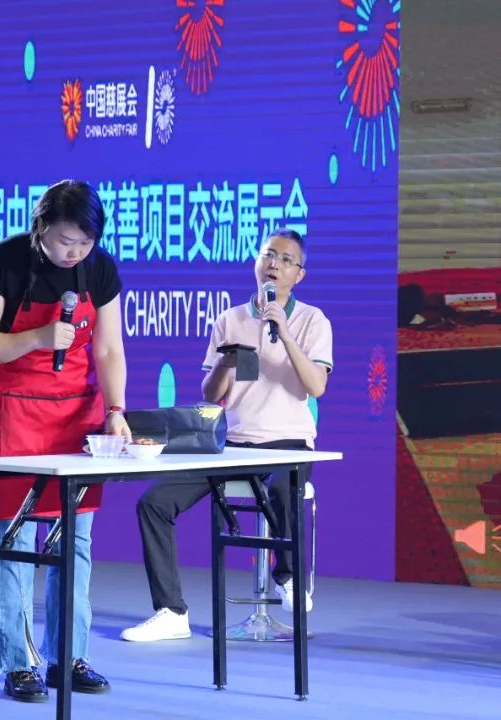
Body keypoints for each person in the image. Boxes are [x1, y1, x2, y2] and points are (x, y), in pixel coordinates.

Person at [120, 228, 332, 642]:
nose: (274, 264)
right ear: (256, 262)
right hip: (231, 445)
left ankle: (288, 576)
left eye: (286, 259)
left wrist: (284, 332)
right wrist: (226, 363)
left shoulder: (312, 320)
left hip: (288, 446)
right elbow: (211, 395)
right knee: (154, 503)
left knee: (284, 489)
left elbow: (316, 386)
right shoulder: (230, 320)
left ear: (299, 275)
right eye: (268, 255)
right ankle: (171, 611)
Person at [0, 179, 132, 699]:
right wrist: (37, 337)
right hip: (14, 410)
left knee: (74, 539)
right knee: (13, 539)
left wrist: (116, 410)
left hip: (75, 415)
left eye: (85, 242)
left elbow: (108, 350)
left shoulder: (100, 269)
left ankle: (69, 656)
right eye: (65, 240)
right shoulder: (7, 260)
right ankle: (18, 662)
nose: (75, 251)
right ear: (40, 228)